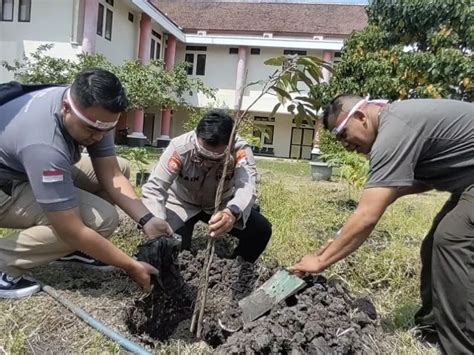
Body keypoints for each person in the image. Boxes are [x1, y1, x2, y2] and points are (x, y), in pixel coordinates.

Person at [290, 95, 474, 354]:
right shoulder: (397, 123)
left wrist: (320, 262)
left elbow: (367, 216)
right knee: (433, 245)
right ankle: (433, 326)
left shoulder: (394, 131)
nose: (345, 145)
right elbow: (413, 183)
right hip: (467, 181)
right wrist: (340, 237)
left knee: (453, 238)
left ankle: (463, 347)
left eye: (344, 134)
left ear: (361, 116)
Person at [0, 69, 172, 299]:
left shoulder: (91, 110)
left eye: (107, 129)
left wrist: (147, 220)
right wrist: (130, 265)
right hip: (7, 184)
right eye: (92, 129)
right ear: (67, 108)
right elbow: (71, 228)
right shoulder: (44, 145)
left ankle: (69, 251)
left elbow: (110, 173)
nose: (99, 137)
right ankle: (4, 261)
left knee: (121, 166)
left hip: (22, 167)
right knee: (102, 221)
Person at [142, 110, 272, 262]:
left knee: (261, 230)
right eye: (202, 156)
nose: (207, 163)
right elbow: (155, 187)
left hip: (221, 205)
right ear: (197, 137)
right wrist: (157, 219)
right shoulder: (180, 147)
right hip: (181, 203)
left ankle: (232, 268)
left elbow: (247, 186)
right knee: (170, 248)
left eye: (216, 158)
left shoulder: (240, 150)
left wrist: (232, 212)